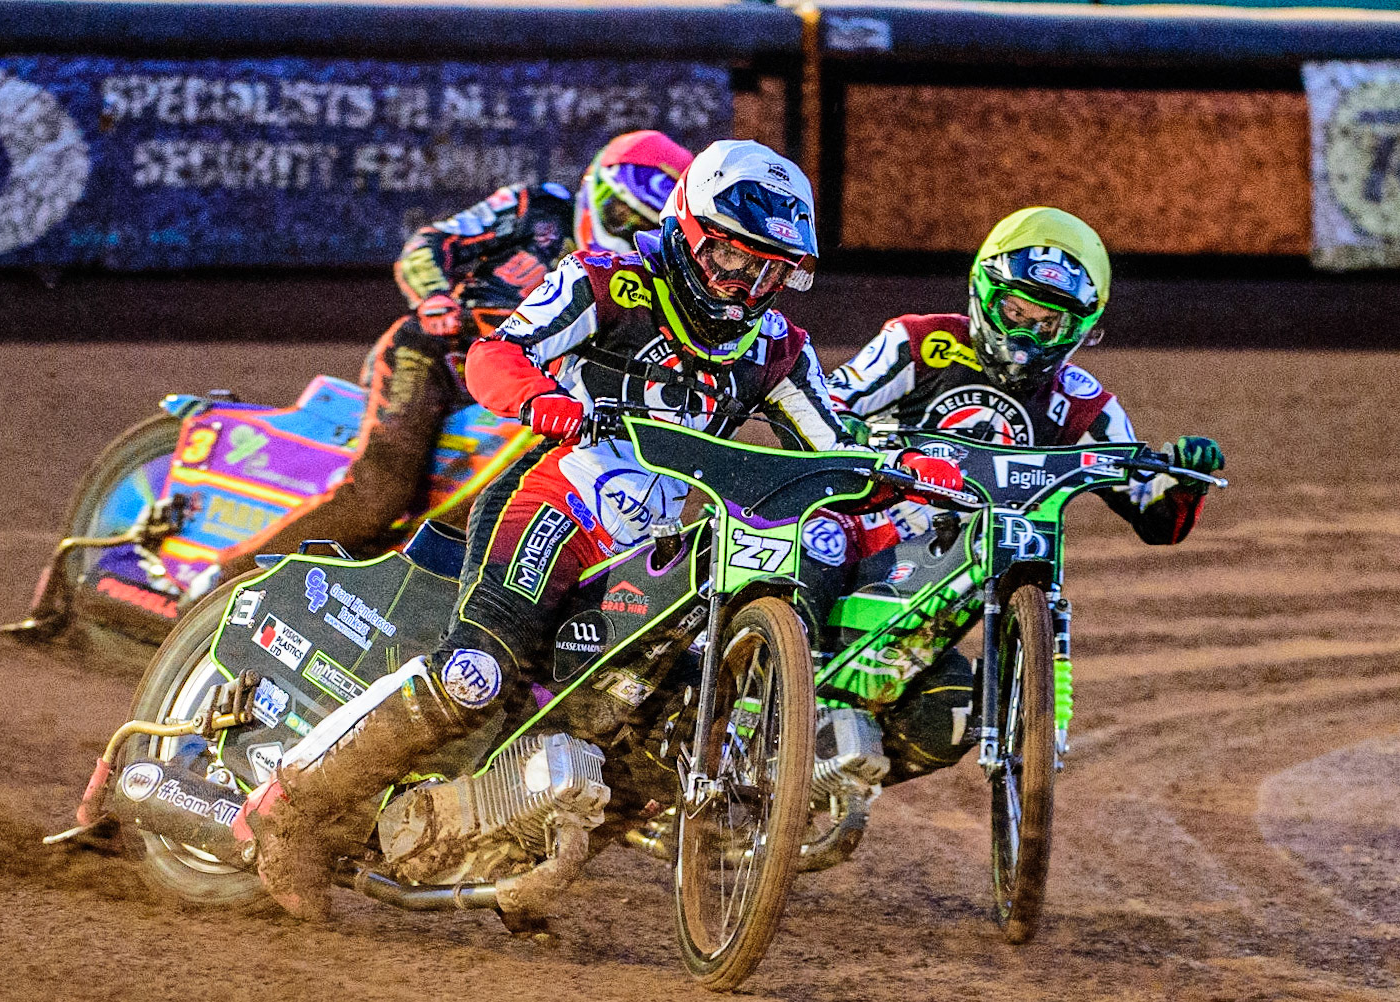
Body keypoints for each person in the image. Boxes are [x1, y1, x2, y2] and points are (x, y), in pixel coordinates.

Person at [235, 140, 964, 920]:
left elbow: (834, 447)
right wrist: (544, 401)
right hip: (555, 502)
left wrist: (912, 471)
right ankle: (289, 810)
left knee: (664, 732)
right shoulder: (605, 281)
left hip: (648, 551)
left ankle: (518, 855)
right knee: (475, 673)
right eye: (728, 256)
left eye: (766, 270)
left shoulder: (779, 347)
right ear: (686, 227)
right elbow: (495, 356)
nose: (741, 283)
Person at [812, 206, 1225, 781]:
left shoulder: (1084, 403)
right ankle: (755, 679)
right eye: (1016, 311)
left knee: (953, 713)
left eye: (1048, 324)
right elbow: (824, 406)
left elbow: (1155, 517)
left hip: (952, 582)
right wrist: (858, 437)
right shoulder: (917, 342)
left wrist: (1180, 479)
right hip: (865, 530)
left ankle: (834, 789)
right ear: (986, 291)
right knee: (816, 539)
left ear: (1077, 331)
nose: (1026, 335)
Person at [208, 131, 696, 586]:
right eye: (619, 214)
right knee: (381, 497)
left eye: (644, 226)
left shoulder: (653, 283)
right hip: (441, 356)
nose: (627, 230)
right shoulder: (537, 207)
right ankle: (223, 584)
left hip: (537, 397)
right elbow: (430, 243)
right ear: (593, 188)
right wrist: (434, 297)